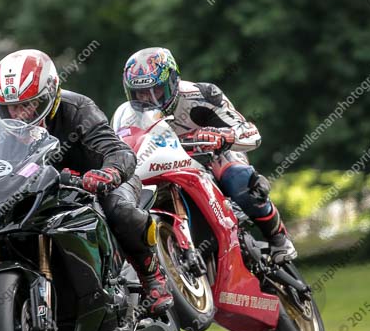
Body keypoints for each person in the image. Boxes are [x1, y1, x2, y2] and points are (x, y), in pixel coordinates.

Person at [0, 49, 173, 315]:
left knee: (120, 210)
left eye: (28, 105)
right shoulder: (4, 133)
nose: (19, 114)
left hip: (100, 182)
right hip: (49, 190)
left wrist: (109, 173)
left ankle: (152, 277)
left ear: (50, 95)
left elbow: (120, 152)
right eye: (10, 107)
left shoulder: (78, 110)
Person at [121, 46, 297, 264]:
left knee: (238, 179)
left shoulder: (202, 95)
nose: (149, 99)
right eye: (141, 93)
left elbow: (250, 132)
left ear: (172, 82)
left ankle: (278, 238)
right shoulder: (127, 117)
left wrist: (224, 137)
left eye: (156, 91)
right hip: (163, 167)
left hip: (212, 157)